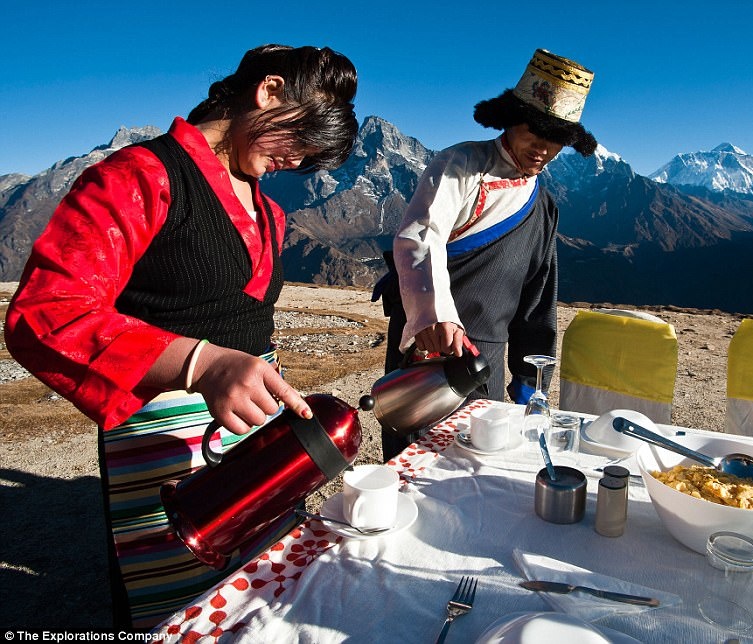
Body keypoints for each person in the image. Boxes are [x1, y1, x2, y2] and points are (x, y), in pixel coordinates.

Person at [4, 44, 358, 630]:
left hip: (255, 432)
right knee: (180, 604)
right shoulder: (137, 178)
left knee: (257, 595)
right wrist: (201, 363)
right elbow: (47, 312)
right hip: (161, 439)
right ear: (268, 92)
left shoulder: (268, 211)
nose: (298, 160)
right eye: (300, 139)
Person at [375, 49, 597, 461]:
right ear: (511, 120)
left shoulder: (543, 207)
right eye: (534, 133)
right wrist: (435, 317)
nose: (542, 149)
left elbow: (537, 297)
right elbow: (421, 237)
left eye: (555, 141)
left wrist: (531, 379)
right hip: (427, 345)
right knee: (414, 461)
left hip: (486, 357)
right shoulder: (461, 164)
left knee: (479, 461)